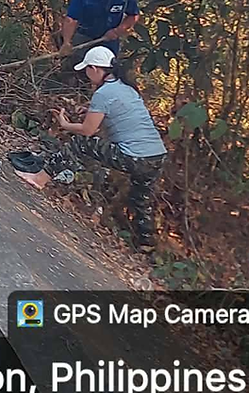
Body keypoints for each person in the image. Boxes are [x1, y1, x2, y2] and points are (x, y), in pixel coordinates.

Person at [11, 46, 168, 249]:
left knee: (81, 144)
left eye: (87, 69)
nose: (86, 74)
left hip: (134, 156)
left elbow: (87, 130)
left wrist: (65, 125)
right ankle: (146, 245)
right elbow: (120, 117)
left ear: (94, 69)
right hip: (156, 156)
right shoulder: (127, 88)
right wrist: (92, 111)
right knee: (140, 198)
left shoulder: (104, 93)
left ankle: (39, 179)